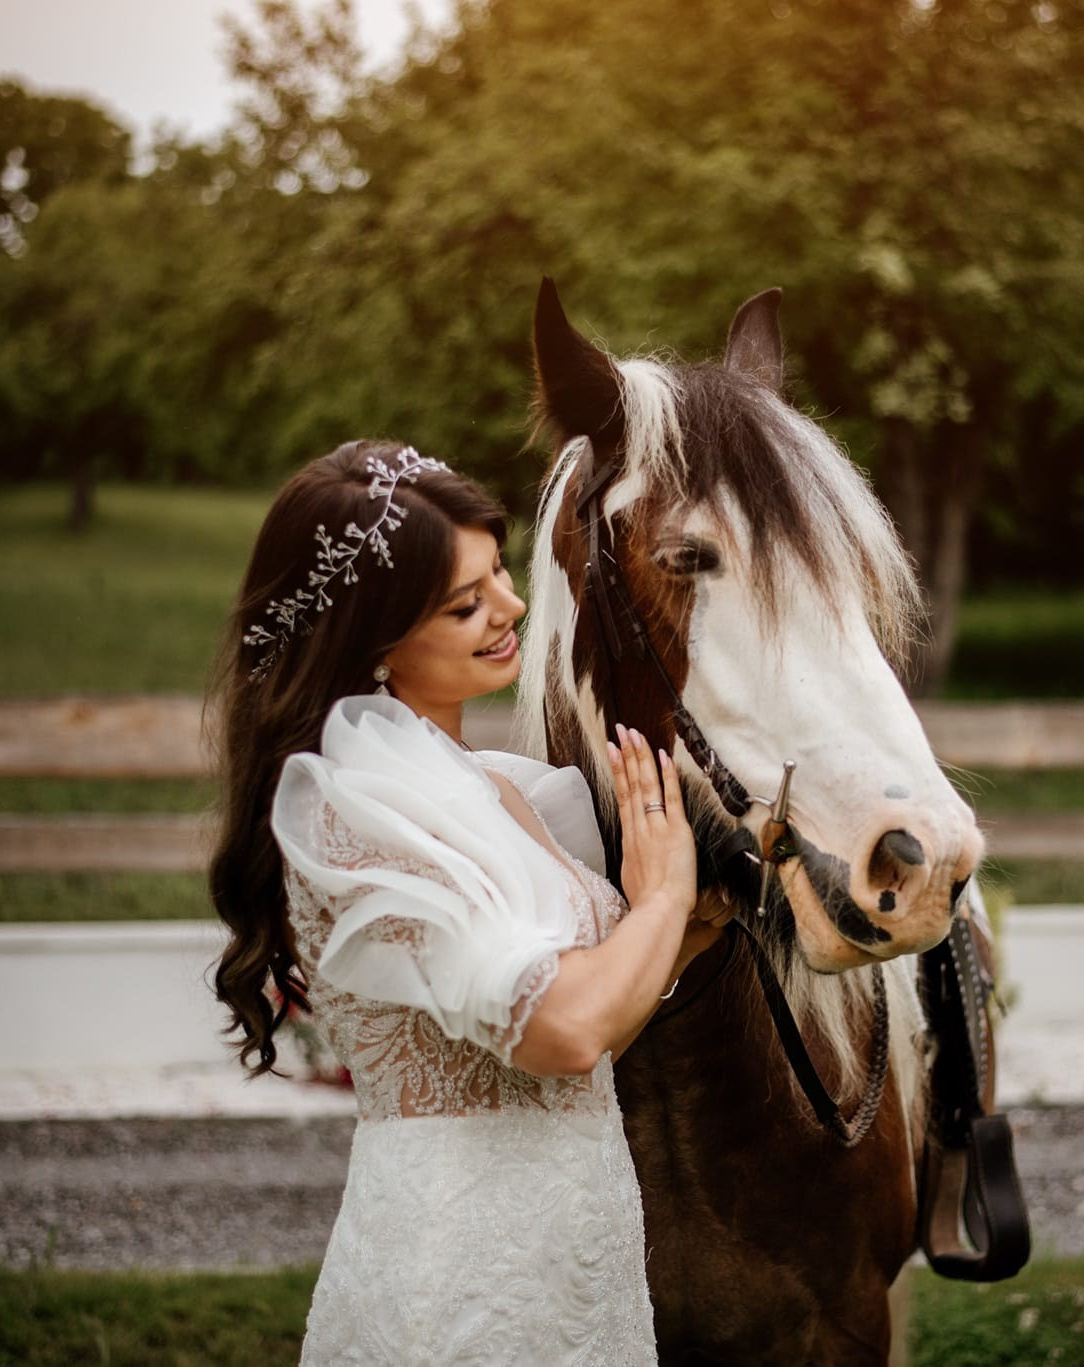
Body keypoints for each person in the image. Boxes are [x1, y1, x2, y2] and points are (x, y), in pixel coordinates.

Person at [210, 440, 721, 1364]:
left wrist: (681, 930)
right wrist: (660, 897)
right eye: (465, 603)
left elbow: (567, 1050)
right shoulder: (366, 803)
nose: (512, 608)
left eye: (501, 573)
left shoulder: (490, 789)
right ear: (371, 637)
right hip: (461, 1270)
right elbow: (562, 1030)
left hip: (576, 1252)